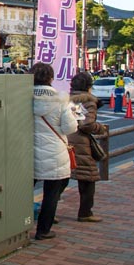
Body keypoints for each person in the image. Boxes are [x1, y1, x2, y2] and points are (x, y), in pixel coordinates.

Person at [31, 62, 78, 240]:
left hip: (26, 151)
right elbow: (70, 127)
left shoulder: (21, 97)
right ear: (51, 78)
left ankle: (17, 225)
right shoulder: (60, 100)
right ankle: (43, 230)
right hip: (54, 151)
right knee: (52, 193)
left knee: (22, 191)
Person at [67, 72, 108, 222]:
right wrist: (100, 128)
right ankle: (85, 213)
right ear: (89, 87)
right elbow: (87, 124)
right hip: (81, 143)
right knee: (88, 178)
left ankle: (48, 211)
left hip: (66, 139)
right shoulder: (89, 101)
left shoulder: (67, 100)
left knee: (62, 178)